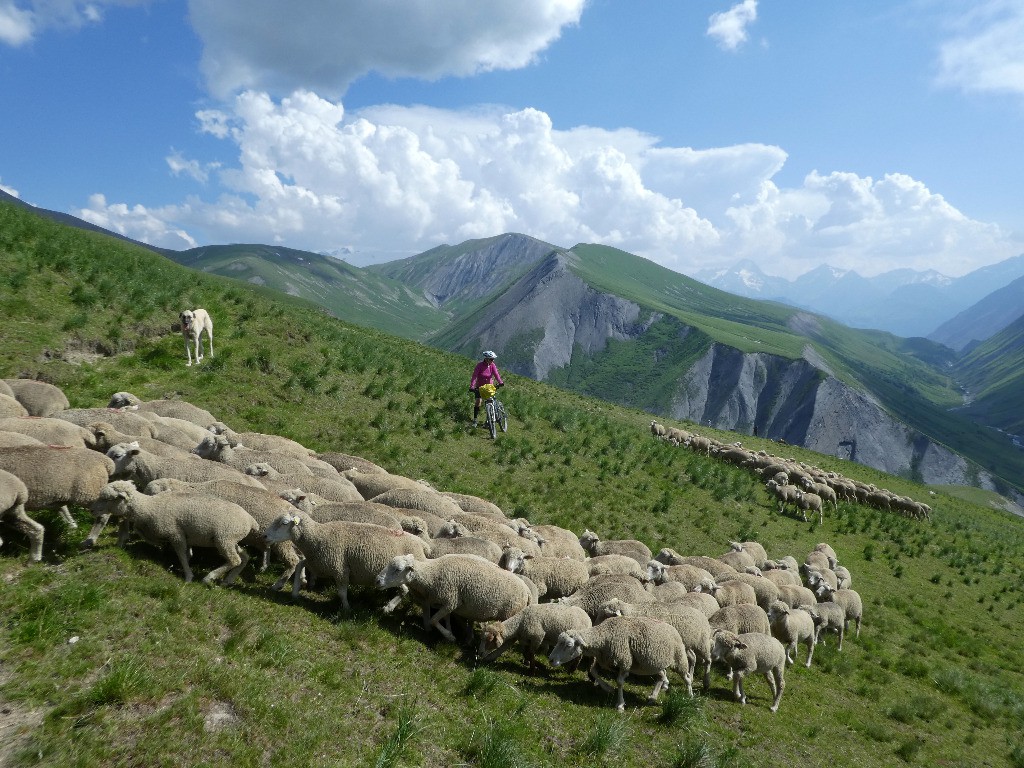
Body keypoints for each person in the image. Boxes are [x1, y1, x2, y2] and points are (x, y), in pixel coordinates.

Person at [469, 350, 504, 427]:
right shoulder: (479, 366)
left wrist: (500, 382)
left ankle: (489, 420)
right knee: (478, 401)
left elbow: (496, 374)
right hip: (480, 387)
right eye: (491, 359)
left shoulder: (492, 365)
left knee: (490, 402)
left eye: (493, 359)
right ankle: (475, 420)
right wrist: (472, 386)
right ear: (486, 359)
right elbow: (474, 376)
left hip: (489, 387)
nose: (493, 360)